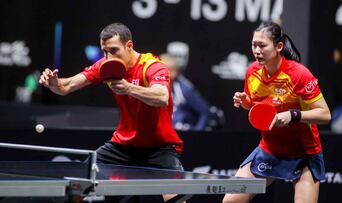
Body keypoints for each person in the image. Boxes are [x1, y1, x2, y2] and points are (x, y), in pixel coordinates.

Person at [39, 22, 184, 201]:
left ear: (129, 46)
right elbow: (65, 87)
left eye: (114, 50)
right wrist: (55, 84)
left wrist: (129, 88)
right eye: (104, 51)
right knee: (76, 189)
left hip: (160, 147)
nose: (108, 57)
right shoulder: (105, 66)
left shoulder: (153, 66)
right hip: (123, 146)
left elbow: (162, 97)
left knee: (176, 198)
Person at [223, 21, 331, 203]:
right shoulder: (252, 72)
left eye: (262, 45)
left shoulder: (299, 75)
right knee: (231, 201)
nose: (257, 50)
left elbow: (325, 115)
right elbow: (261, 109)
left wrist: (293, 115)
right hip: (270, 149)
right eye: (254, 45)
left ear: (279, 46)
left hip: (303, 152)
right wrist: (245, 102)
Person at [160, 53, 212, 131]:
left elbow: (205, 112)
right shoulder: (153, 87)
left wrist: (197, 133)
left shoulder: (185, 90)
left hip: (182, 134)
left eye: (161, 70)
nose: (157, 74)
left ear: (174, 72)